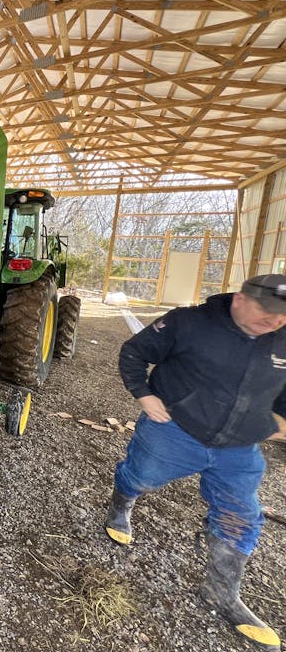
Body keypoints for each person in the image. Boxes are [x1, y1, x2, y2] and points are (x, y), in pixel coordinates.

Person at [106, 273, 286, 651]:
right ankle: (122, 502)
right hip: (175, 429)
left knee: (241, 513)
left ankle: (221, 592)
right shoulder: (188, 322)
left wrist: (278, 423)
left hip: (239, 447)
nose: (274, 320)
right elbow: (134, 353)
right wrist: (143, 395)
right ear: (239, 299)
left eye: (282, 314)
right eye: (266, 311)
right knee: (141, 475)